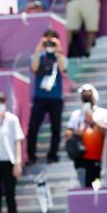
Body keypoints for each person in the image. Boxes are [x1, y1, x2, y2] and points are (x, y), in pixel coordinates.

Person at [26, 30, 66, 165]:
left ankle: (52, 155)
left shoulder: (59, 56)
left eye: (52, 41)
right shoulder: (39, 55)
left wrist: (58, 51)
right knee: (33, 128)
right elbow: (34, 67)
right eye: (47, 40)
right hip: (40, 97)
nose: (49, 43)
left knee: (56, 128)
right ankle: (31, 156)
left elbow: (63, 68)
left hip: (56, 98)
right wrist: (38, 50)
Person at [65, 84, 107, 187]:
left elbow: (106, 133)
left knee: (97, 185)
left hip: (99, 159)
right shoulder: (76, 114)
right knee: (85, 185)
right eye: (84, 96)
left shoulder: (103, 113)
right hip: (81, 158)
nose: (87, 98)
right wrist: (80, 132)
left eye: (89, 96)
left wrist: (93, 121)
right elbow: (68, 133)